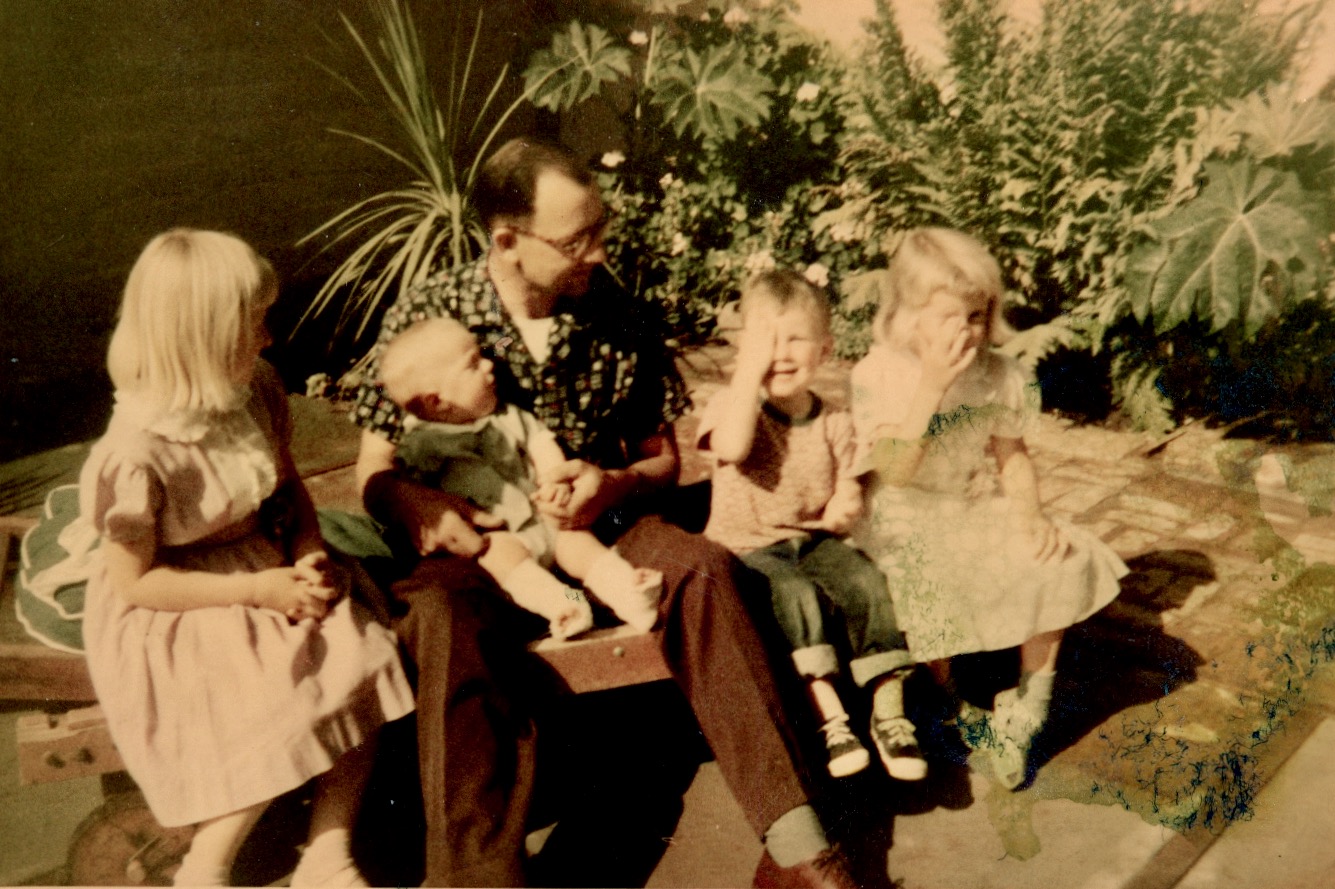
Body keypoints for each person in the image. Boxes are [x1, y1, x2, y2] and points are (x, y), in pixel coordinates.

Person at [350, 136, 857, 888]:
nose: (595, 249)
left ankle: (800, 846)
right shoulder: (431, 311)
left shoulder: (615, 312)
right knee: (440, 619)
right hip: (477, 545)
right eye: (574, 238)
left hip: (600, 532)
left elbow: (663, 460)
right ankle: (481, 878)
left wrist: (611, 482)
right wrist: (421, 500)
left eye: (600, 227)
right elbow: (373, 471)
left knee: (706, 571)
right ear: (506, 239)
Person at [57, 229, 415, 886]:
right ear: (201, 341)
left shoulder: (257, 389)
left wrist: (307, 551)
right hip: (177, 596)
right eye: (254, 324)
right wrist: (258, 593)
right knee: (282, 692)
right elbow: (135, 583)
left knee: (361, 652)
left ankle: (328, 851)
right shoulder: (135, 453)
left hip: (262, 560)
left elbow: (287, 486)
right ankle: (206, 863)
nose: (270, 338)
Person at [849, 227, 1127, 789]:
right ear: (907, 315)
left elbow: (1012, 456)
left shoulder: (999, 375)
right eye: (950, 317)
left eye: (977, 316)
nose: (967, 332)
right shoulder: (878, 373)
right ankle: (941, 693)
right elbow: (894, 471)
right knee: (921, 575)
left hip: (962, 503)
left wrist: (1031, 514)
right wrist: (930, 387)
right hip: (899, 511)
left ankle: (1028, 704)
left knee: (1060, 559)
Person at [696, 270, 925, 782]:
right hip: (747, 548)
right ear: (743, 349)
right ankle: (831, 718)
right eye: (765, 341)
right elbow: (731, 447)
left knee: (867, 580)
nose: (779, 353)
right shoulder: (731, 408)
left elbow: (853, 484)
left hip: (814, 541)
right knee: (794, 591)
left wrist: (848, 500)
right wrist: (747, 374)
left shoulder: (835, 420)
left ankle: (889, 712)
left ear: (824, 350)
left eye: (795, 338)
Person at [376, 315, 662, 640]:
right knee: (498, 555)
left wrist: (554, 480)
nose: (489, 366)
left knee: (578, 544)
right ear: (436, 401)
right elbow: (416, 499)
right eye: (473, 365)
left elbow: (542, 445)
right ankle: (564, 606)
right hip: (500, 532)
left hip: (546, 516)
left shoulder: (509, 417)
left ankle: (629, 592)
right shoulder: (420, 445)